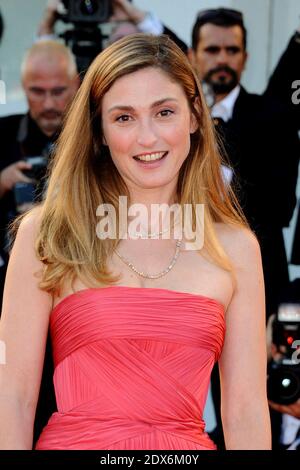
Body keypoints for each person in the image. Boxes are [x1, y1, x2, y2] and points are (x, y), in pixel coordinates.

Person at [0, 34, 271, 450]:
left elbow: (247, 411)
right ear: (100, 132)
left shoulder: (236, 248)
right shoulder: (46, 235)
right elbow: (12, 397)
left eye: (164, 112)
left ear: (195, 117)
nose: (148, 138)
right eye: (124, 117)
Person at [188, 7, 299, 321]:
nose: (222, 59)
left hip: (258, 285)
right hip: (186, 285)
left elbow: (280, 206)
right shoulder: (175, 120)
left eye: (232, 50)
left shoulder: (275, 118)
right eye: (212, 50)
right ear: (192, 55)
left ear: (245, 58)